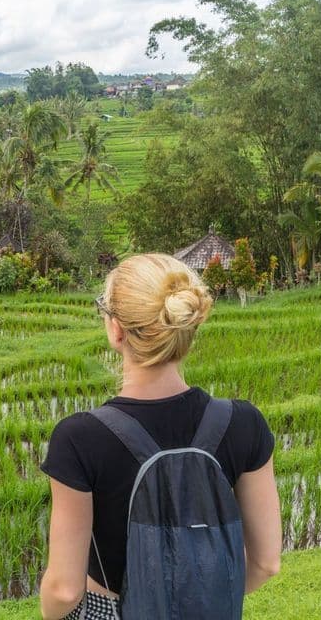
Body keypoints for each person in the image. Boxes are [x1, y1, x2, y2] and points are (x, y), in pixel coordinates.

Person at [38, 253, 282, 620]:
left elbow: (64, 589)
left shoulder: (79, 437)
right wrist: (194, 598)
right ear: (188, 326)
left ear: (116, 329)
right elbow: (266, 563)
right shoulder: (243, 422)